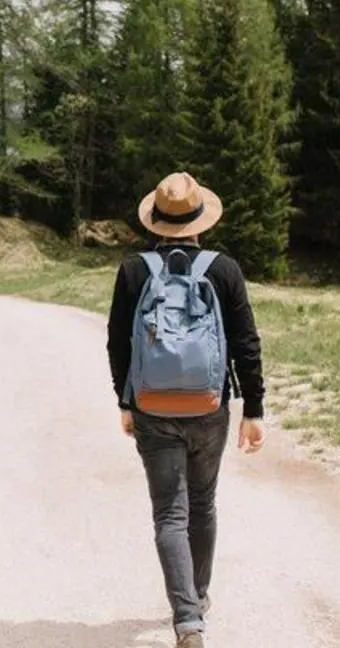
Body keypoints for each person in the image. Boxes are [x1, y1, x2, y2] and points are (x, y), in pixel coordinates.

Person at [105, 172, 267, 648]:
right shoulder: (225, 270)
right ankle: (198, 596)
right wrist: (253, 409)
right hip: (209, 408)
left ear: (154, 221)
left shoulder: (134, 270)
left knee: (169, 515)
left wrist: (125, 400)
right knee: (203, 503)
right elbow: (245, 343)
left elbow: (117, 342)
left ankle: (188, 622)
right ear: (201, 221)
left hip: (153, 408)